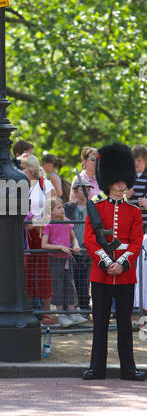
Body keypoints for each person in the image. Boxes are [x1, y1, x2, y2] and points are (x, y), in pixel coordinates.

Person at [83, 143, 145, 381]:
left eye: (123, 181)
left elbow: (136, 242)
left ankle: (128, 369)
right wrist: (108, 262)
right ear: (108, 180)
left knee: (124, 326)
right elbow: (90, 240)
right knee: (99, 324)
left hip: (126, 275)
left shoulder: (134, 211)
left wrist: (122, 264)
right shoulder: (96, 208)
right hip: (101, 274)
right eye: (117, 180)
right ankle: (97, 368)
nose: (121, 184)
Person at [19, 153, 55, 325]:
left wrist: (39, 224)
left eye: (23, 168)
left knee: (42, 271)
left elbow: (52, 208)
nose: (20, 171)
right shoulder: (17, 186)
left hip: (41, 232)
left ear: (31, 168)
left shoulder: (45, 184)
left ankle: (47, 311)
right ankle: (27, 309)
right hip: (23, 232)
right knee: (25, 270)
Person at [42, 197, 87, 327]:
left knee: (69, 285)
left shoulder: (67, 222)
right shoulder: (48, 224)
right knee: (57, 286)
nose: (62, 210)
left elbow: (73, 238)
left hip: (67, 259)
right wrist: (59, 247)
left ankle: (72, 313)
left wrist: (76, 245)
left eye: (62, 207)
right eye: (59, 208)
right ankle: (61, 314)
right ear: (50, 211)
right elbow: (44, 244)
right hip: (54, 260)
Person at [64, 179, 93, 314]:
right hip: (73, 249)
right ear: (75, 191)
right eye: (83, 189)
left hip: (88, 249)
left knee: (85, 281)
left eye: (88, 189)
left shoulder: (93, 207)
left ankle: (85, 307)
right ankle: (73, 309)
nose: (87, 192)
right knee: (73, 281)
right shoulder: (69, 208)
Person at [126, 144, 147, 232]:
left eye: (139, 160)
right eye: (133, 160)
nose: (135, 163)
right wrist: (126, 196)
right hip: (131, 222)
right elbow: (118, 199)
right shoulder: (126, 177)